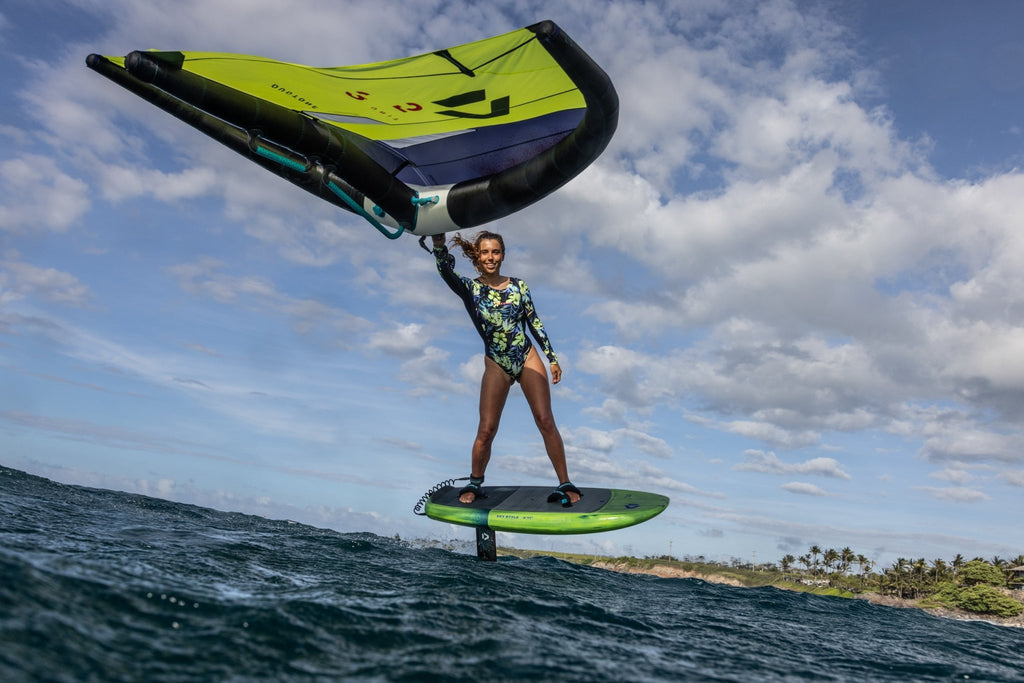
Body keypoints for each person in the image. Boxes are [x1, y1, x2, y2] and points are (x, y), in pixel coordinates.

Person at [428, 231, 581, 507]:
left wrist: (552, 358)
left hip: (526, 356)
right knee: (487, 429)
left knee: (545, 420)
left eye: (496, 252)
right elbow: (446, 273)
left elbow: (534, 322)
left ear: (503, 255)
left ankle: (565, 482)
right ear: (478, 256)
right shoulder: (471, 289)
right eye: (485, 252)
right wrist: (439, 246)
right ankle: (475, 482)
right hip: (496, 363)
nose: (491, 257)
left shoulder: (519, 286)